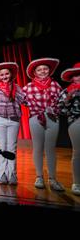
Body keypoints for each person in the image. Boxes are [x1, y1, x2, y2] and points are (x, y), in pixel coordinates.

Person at [23, 58, 64, 191]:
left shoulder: (55, 85)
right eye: (39, 69)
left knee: (50, 148)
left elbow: (62, 102)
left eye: (45, 69)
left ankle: (52, 178)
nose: (42, 71)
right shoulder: (28, 87)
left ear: (49, 70)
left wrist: (55, 109)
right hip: (36, 118)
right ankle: (39, 176)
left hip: (52, 118)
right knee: (38, 147)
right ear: (34, 72)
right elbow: (22, 100)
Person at [0, 62, 25, 185]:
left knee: (12, 148)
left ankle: (12, 174)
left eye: (6, 74)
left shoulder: (17, 87)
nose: (4, 76)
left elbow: (24, 101)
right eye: (2, 74)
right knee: (2, 147)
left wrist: (15, 92)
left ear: (11, 74)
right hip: (0, 119)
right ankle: (2, 174)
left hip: (14, 120)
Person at [58, 62, 80, 195]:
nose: (79, 78)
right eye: (77, 75)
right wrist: (69, 98)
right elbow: (62, 110)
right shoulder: (66, 91)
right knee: (78, 153)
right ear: (72, 77)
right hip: (76, 121)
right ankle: (77, 183)